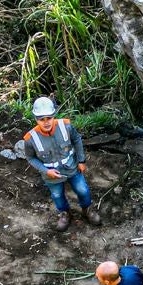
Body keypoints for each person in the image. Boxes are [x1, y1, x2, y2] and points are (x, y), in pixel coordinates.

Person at [18, 97, 98, 231]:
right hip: (51, 175)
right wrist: (45, 170)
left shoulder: (66, 126)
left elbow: (77, 140)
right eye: (41, 119)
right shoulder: (30, 139)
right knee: (57, 195)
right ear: (36, 119)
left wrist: (81, 160)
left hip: (72, 167)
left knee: (83, 190)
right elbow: (31, 158)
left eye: (48, 118)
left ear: (54, 115)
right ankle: (65, 213)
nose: (46, 122)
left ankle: (87, 209)